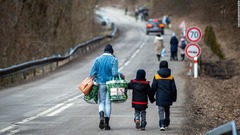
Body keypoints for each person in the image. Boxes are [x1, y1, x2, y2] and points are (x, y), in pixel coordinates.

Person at [90, 44, 123, 130]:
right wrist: (121, 75)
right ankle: (107, 124)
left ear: (104, 51)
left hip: (100, 83)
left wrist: (97, 76)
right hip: (110, 84)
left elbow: (92, 73)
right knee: (108, 103)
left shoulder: (97, 60)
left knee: (101, 102)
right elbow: (115, 74)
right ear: (112, 52)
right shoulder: (114, 59)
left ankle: (101, 117)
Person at [151, 61, 177, 131]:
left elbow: (153, 88)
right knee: (167, 109)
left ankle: (162, 124)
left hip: (160, 97)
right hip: (168, 96)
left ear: (160, 66)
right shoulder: (171, 77)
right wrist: (174, 98)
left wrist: (151, 97)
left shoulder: (156, 76)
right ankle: (167, 122)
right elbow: (174, 88)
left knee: (161, 110)